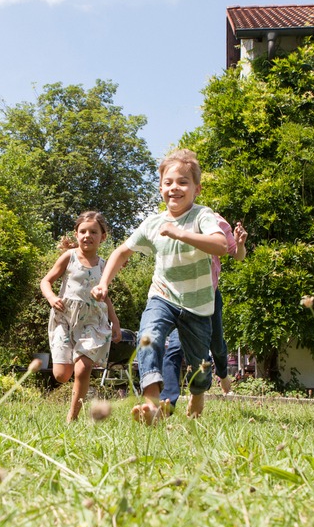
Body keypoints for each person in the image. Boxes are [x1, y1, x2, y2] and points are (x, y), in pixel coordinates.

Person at [91, 149, 228, 420]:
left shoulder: (202, 216)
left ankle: (198, 395)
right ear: (161, 187)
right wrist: (104, 282)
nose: (174, 188)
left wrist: (180, 233)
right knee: (148, 336)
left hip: (198, 305)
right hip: (163, 296)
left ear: (196, 189)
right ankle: (152, 402)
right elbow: (121, 252)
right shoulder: (153, 223)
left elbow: (222, 245)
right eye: (168, 182)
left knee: (201, 365)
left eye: (183, 182)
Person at [40, 211, 122, 422]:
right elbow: (46, 281)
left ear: (102, 237)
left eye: (93, 232)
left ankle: (72, 417)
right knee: (61, 375)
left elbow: (106, 296)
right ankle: (71, 386)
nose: (88, 235)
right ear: (76, 234)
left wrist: (115, 322)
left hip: (93, 320)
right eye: (83, 231)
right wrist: (51, 297)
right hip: (65, 318)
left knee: (83, 368)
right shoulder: (70, 257)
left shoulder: (104, 265)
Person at [160, 215, 247, 407]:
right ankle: (168, 400)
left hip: (209, 295)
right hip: (180, 296)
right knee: (174, 348)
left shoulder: (215, 221)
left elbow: (238, 255)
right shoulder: (168, 220)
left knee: (217, 345)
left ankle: (222, 374)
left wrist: (240, 244)